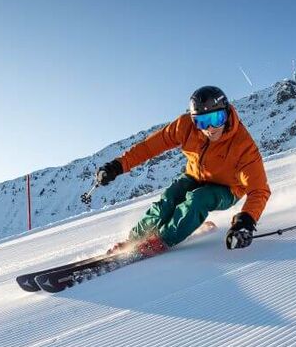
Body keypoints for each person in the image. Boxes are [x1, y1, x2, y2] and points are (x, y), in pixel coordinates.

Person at [95, 85, 271, 257]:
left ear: (226, 114)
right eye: (202, 121)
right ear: (194, 121)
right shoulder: (185, 126)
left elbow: (259, 190)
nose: (210, 128)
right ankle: (135, 239)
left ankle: (162, 240)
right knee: (170, 198)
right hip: (194, 176)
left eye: (216, 118)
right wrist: (117, 166)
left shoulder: (243, 146)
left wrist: (245, 221)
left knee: (198, 199)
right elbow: (149, 147)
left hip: (228, 188)